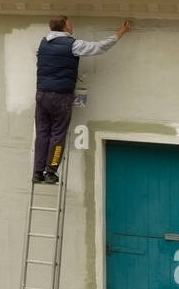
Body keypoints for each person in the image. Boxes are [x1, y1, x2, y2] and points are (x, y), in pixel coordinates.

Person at [33, 16, 132, 183]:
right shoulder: (73, 44)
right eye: (70, 23)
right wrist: (121, 32)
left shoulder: (43, 44)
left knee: (42, 133)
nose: (72, 25)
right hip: (60, 97)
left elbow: (50, 65)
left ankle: (37, 172)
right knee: (58, 134)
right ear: (64, 26)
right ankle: (51, 171)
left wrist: (70, 74)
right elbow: (100, 47)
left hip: (42, 94)